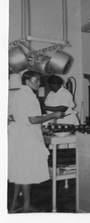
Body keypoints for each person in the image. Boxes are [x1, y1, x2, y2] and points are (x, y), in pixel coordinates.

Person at [8, 70, 66, 213]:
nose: (39, 83)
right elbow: (33, 119)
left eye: (39, 81)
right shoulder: (28, 96)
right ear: (27, 81)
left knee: (19, 171)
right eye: (36, 81)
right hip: (26, 137)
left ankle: (14, 204)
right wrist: (54, 115)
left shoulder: (17, 94)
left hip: (17, 135)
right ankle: (27, 206)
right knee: (26, 172)